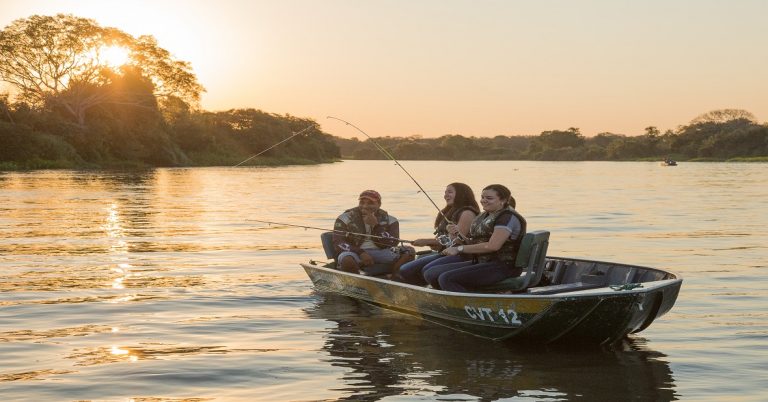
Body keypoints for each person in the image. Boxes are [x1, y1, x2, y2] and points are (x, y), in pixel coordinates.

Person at [423, 184, 526, 292]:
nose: (483, 201)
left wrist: (459, 249)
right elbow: (473, 242)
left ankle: (467, 300)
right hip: (483, 262)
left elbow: (493, 246)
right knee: (431, 273)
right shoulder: (486, 215)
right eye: (482, 197)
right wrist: (457, 233)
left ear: (503, 200)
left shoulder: (507, 217)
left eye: (489, 198)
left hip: (503, 267)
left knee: (447, 278)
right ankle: (458, 296)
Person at [399, 183, 479, 285]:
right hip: (444, 253)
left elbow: (457, 240)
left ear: (461, 194)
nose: (446, 195)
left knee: (420, 270)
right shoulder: (447, 211)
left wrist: (426, 241)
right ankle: (422, 288)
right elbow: (442, 240)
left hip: (461, 254)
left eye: (450, 192)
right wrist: (433, 244)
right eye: (445, 192)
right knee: (405, 269)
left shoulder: (467, 213)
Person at [332, 190, 413, 275]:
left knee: (409, 251)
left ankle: (394, 278)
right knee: (347, 260)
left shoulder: (392, 220)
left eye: (370, 203)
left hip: (381, 252)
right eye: (362, 202)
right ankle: (358, 280)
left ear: (379, 204)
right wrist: (361, 253)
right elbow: (338, 242)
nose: (365, 206)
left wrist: (376, 226)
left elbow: (393, 243)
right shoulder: (344, 218)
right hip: (354, 252)